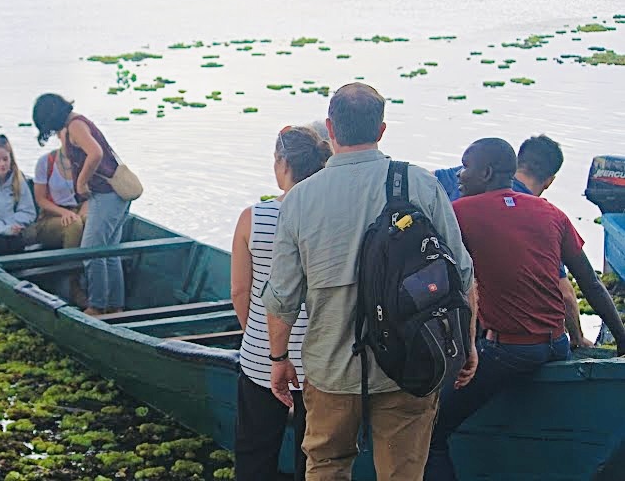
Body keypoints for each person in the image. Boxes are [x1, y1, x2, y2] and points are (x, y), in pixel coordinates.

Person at [263, 83, 475, 480]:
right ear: (381, 130)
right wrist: (467, 344)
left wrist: (278, 359)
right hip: (411, 363)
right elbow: (461, 273)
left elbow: (282, 297)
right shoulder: (420, 184)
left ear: (330, 129)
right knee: (402, 472)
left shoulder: (299, 199)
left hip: (331, 369)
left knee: (326, 465)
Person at [424, 138, 625, 480]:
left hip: (510, 351)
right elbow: (589, 285)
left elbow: (440, 282)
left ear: (485, 173)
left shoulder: (461, 213)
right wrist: (621, 338)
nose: (459, 176)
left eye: (465, 168)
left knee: (428, 432)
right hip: (555, 345)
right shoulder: (550, 212)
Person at [231, 126, 332, 481]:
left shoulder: (253, 218)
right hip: (322, 361)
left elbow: (240, 292)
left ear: (283, 163)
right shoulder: (333, 218)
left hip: (263, 357)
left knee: (255, 451)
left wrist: (255, 334)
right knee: (314, 456)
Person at [436, 135, 593, 348]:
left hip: (457, 317)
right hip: (511, 338)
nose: (460, 175)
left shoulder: (460, 178)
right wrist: (578, 338)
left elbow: (422, 183)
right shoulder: (544, 214)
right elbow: (566, 292)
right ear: (550, 181)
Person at [32, 94, 130, 315]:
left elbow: (95, 153)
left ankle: (96, 306)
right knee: (109, 251)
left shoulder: (75, 125)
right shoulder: (78, 122)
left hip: (106, 195)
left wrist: (81, 182)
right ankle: (115, 305)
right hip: (116, 195)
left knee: (90, 250)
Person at [33, 127, 87, 250]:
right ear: (58, 134)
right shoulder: (45, 162)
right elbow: (40, 199)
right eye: (67, 134)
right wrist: (64, 213)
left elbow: (91, 195)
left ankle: (93, 263)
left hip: (79, 210)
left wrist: (83, 213)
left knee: (89, 221)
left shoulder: (86, 161)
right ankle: (70, 266)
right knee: (73, 224)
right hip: (51, 217)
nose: (72, 139)